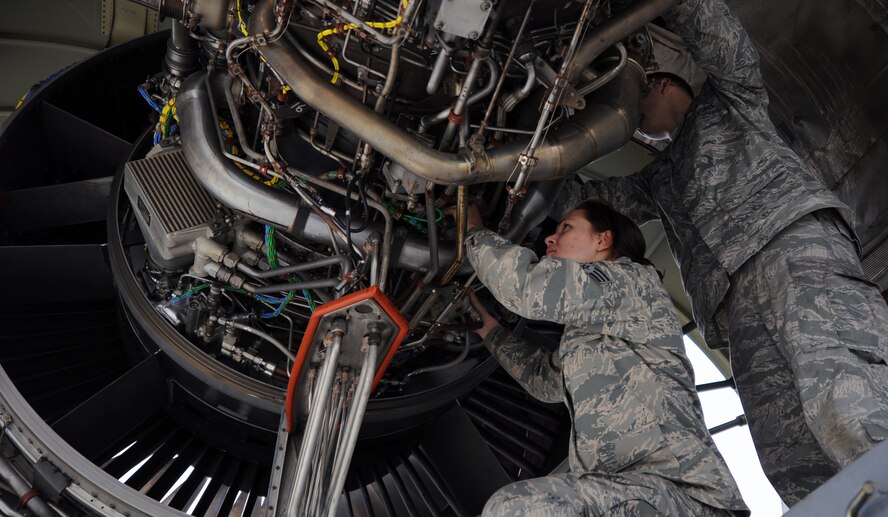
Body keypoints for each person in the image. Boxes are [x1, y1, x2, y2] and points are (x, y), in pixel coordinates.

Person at [556, 0, 888, 505]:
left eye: (637, 107)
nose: (636, 125)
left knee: (846, 394)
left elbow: (719, 37)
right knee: (789, 456)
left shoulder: (731, 101)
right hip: (736, 313)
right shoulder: (660, 178)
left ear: (662, 86)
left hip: (791, 254)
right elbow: (584, 202)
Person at [462, 199, 748, 516]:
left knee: (513, 508)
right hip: (628, 496)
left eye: (566, 228)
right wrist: (491, 332)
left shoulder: (631, 282)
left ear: (603, 240)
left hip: (682, 495)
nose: (550, 238)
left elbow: (528, 288)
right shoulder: (593, 330)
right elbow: (546, 380)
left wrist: (473, 230)